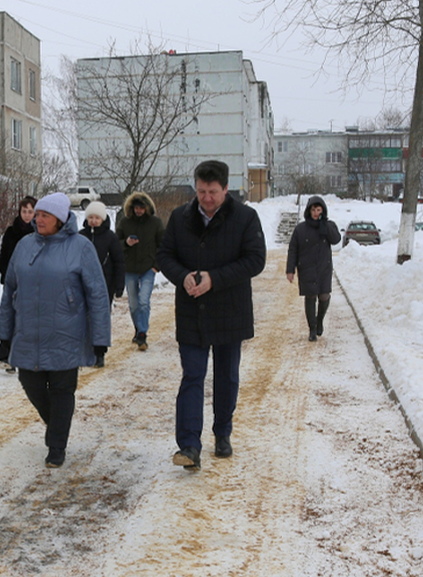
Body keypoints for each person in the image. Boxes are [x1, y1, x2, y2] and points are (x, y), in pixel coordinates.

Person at [156, 160, 266, 470]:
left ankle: (222, 433)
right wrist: (183, 276)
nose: (206, 198)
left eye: (213, 192)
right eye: (201, 191)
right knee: (192, 376)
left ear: (226, 189)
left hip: (230, 310)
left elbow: (256, 260)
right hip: (192, 311)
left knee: (226, 377)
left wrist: (214, 278)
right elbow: (165, 255)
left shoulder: (245, 217)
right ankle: (189, 445)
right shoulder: (180, 217)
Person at [0, 192, 111, 468]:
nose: (38, 219)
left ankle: (56, 445)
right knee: (31, 384)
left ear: (60, 219)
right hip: (29, 333)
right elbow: (10, 289)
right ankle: (58, 425)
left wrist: (100, 340)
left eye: (44, 215)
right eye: (37, 214)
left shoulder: (80, 246)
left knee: (62, 390)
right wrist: (4, 335)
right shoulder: (25, 245)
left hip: (66, 333)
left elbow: (97, 293)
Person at [286, 195, 341, 341]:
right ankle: (312, 329)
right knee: (310, 296)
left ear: (323, 211)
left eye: (319, 210)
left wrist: (325, 225)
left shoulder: (329, 225)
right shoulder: (300, 229)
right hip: (307, 268)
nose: (316, 213)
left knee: (324, 296)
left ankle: (320, 320)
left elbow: (336, 239)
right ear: (308, 211)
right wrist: (290, 269)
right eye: (313, 210)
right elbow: (293, 249)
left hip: (324, 268)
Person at [116, 192, 165, 351]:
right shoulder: (124, 222)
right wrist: (126, 243)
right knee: (133, 304)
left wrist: (156, 265)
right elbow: (116, 243)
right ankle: (138, 329)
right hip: (129, 268)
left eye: (141, 208)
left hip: (148, 268)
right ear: (131, 208)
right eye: (136, 208)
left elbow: (163, 245)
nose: (139, 211)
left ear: (147, 208)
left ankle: (142, 334)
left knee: (144, 301)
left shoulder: (156, 223)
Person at [79, 200, 125, 368]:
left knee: (99, 320)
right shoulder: (80, 236)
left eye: (97, 217)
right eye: (90, 217)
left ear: (103, 218)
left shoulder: (111, 238)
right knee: (82, 318)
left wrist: (120, 285)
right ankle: (84, 351)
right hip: (82, 285)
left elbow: (119, 262)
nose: (93, 220)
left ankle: (99, 352)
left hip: (105, 285)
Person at [0, 196, 37, 371]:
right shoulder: (11, 232)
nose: (27, 215)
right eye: (24, 211)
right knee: (9, 315)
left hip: (33, 283)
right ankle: (8, 352)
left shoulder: (39, 233)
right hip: (13, 282)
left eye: (30, 212)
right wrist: (7, 275)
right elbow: (3, 257)